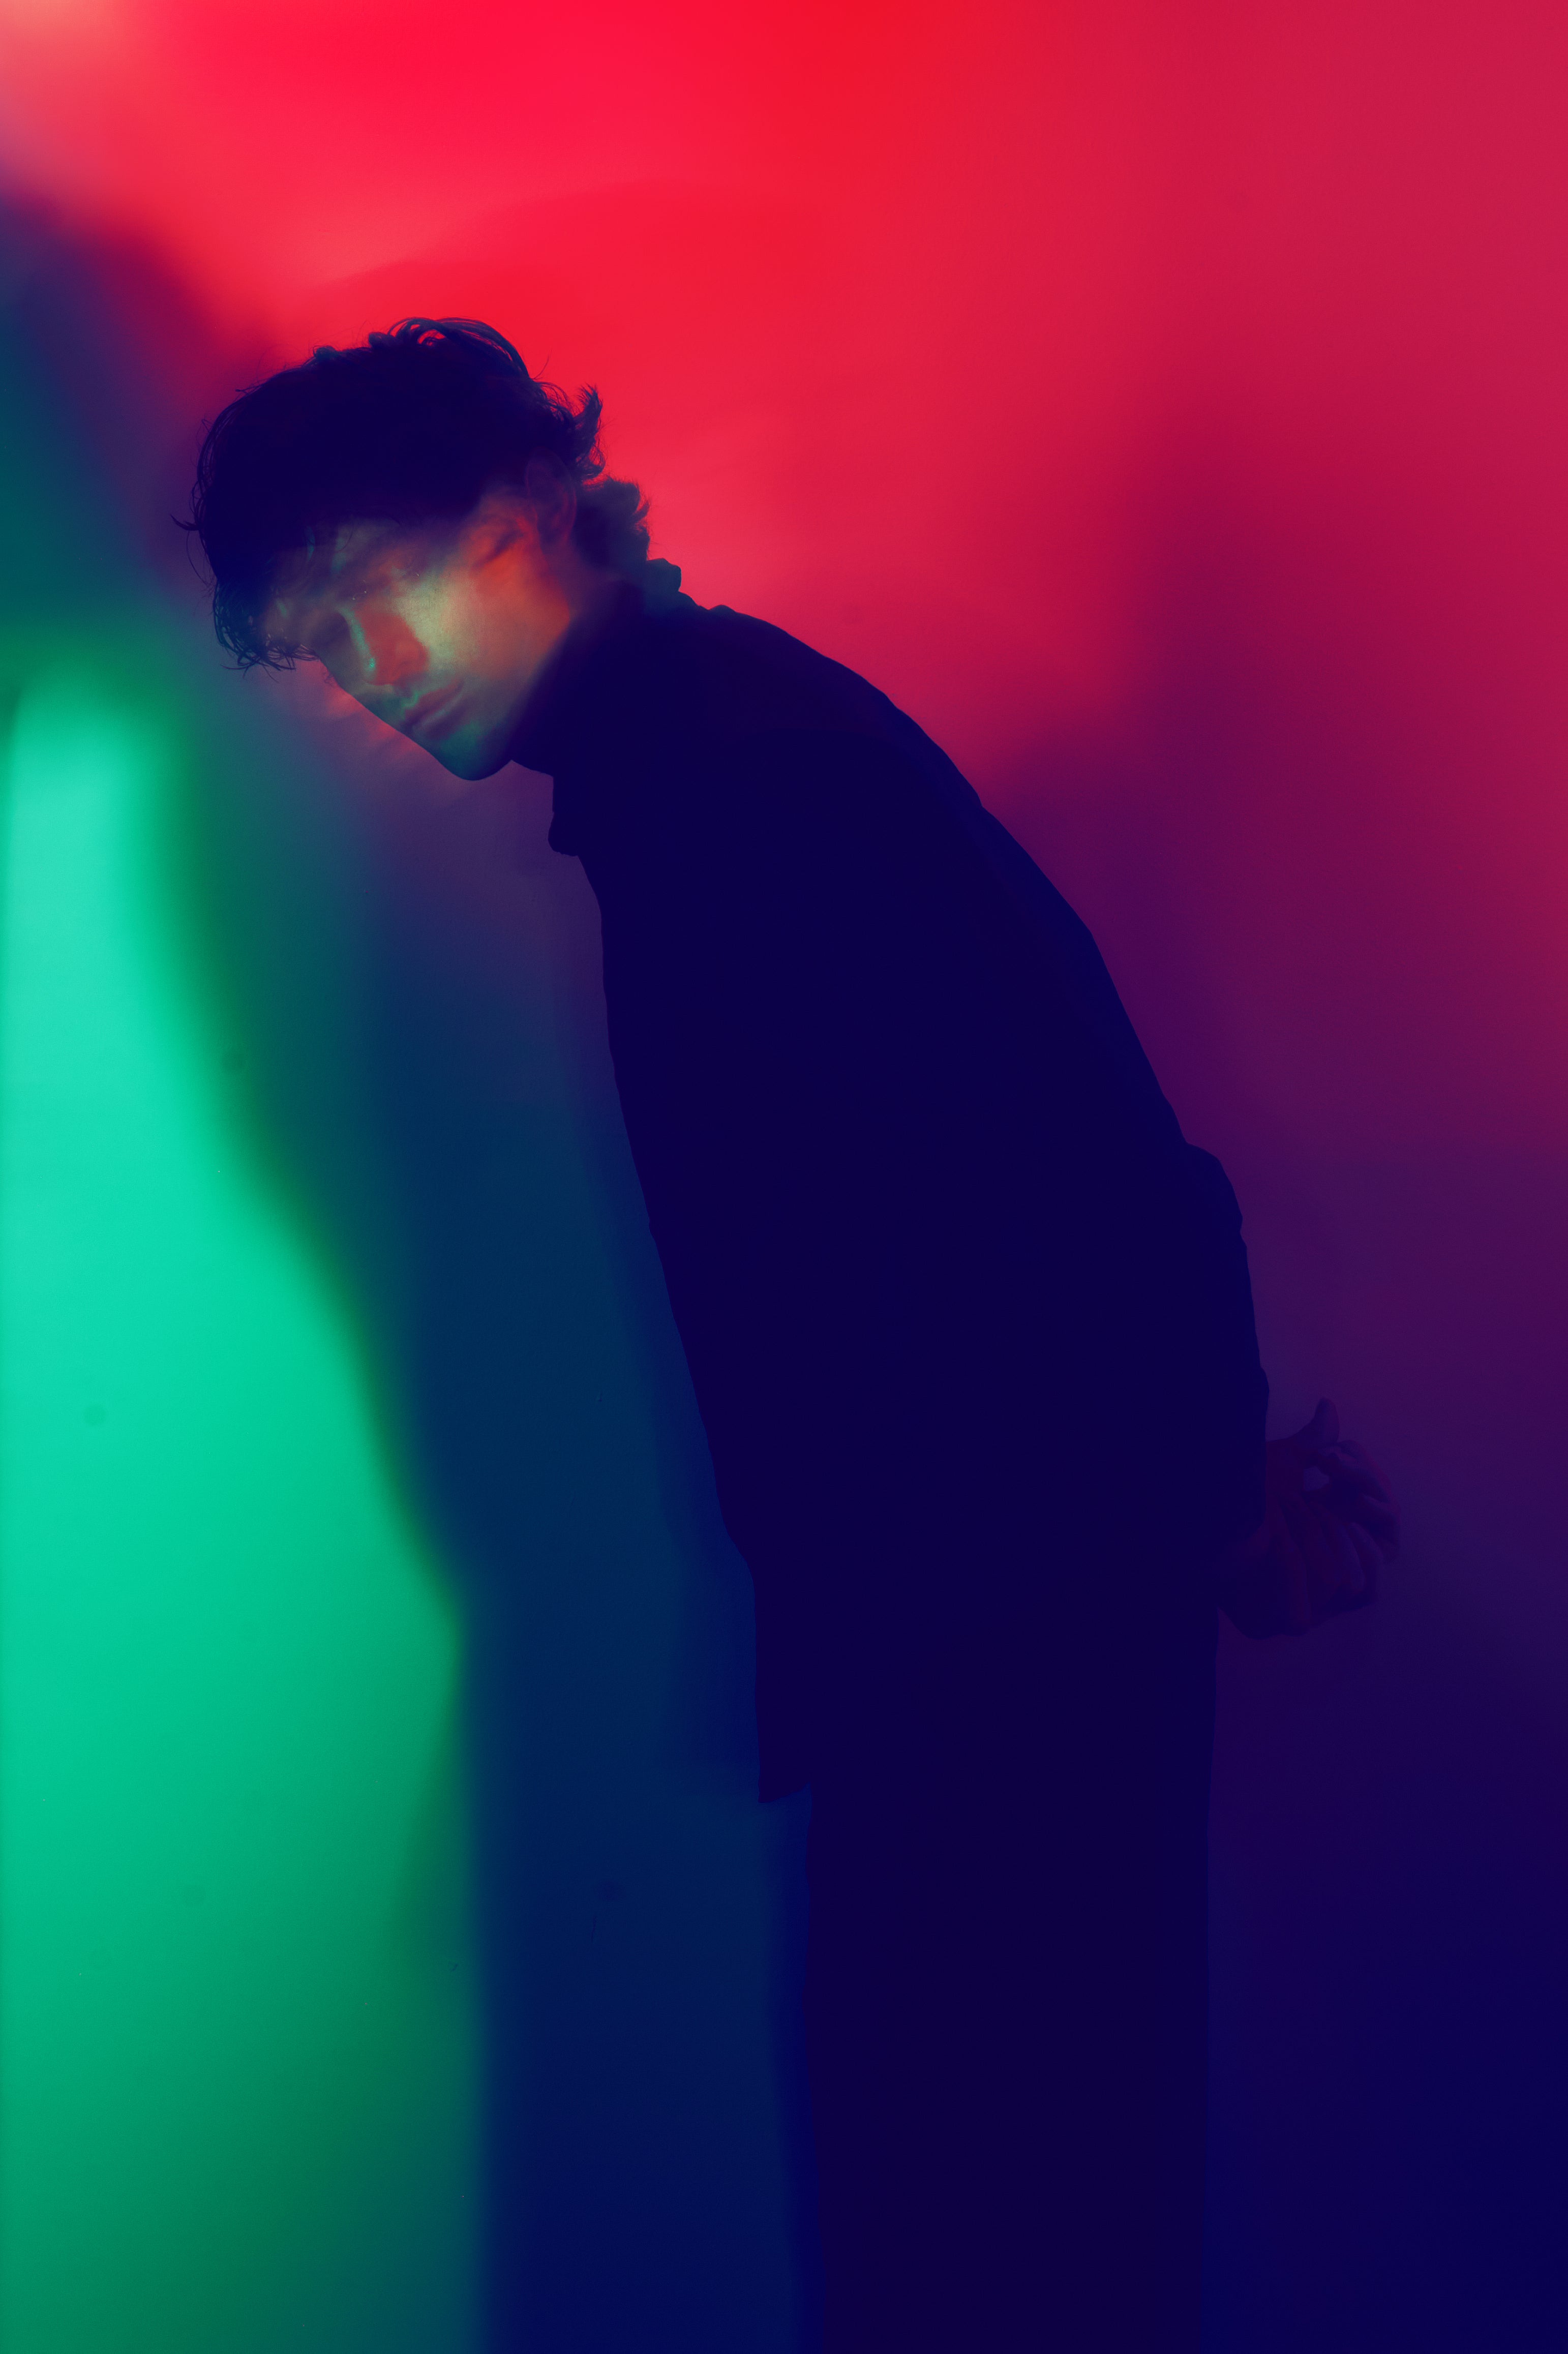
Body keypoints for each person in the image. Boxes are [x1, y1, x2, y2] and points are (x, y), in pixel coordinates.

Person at [186, 318, 1400, 2350]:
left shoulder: (729, 781)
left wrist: (1210, 1500)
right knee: (1003, 2245)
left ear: (522, 515)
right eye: (323, 648)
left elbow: (1087, 1172)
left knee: (996, 2257)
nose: (372, 674)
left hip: (1002, 1641)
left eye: (374, 596)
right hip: (976, 1633)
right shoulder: (696, 761)